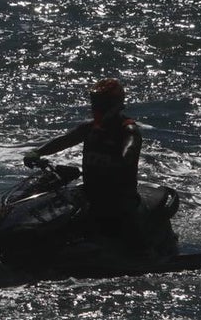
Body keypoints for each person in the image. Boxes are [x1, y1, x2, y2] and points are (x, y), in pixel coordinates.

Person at [22, 78, 146, 251]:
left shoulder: (128, 130)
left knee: (128, 237)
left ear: (115, 104)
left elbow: (129, 150)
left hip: (119, 198)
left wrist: (122, 160)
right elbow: (64, 140)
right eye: (95, 102)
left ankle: (144, 254)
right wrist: (38, 152)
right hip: (90, 192)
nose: (96, 108)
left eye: (101, 103)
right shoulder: (90, 128)